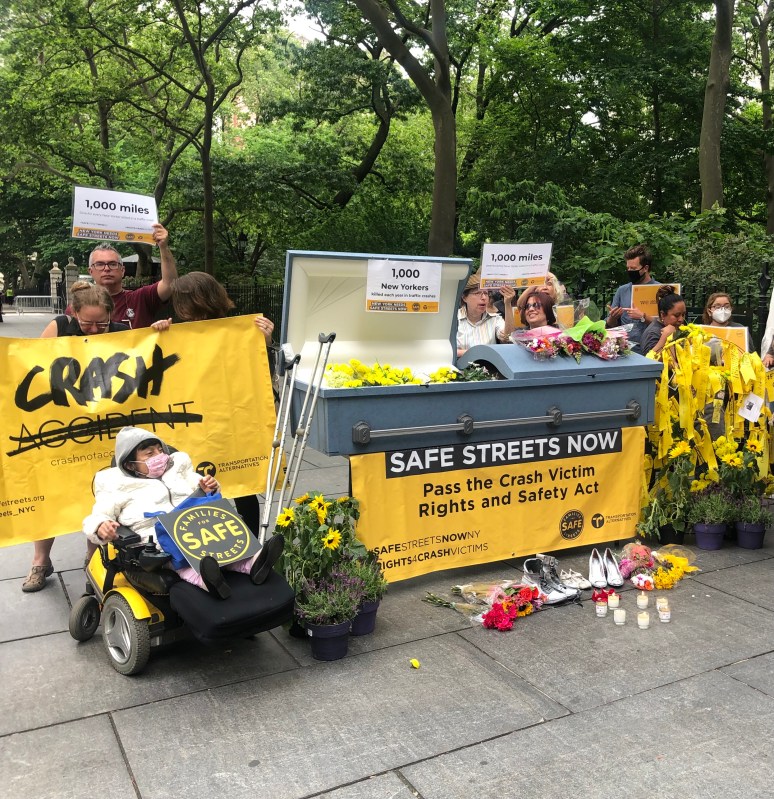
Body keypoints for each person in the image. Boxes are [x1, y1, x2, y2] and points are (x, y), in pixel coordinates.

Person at [82, 427, 284, 599]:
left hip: (197, 526)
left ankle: (255, 562)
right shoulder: (116, 486)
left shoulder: (178, 471)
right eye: (149, 454)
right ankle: (209, 581)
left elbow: (202, 488)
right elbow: (98, 515)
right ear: (130, 464)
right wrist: (101, 527)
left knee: (226, 540)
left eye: (160, 450)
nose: (159, 456)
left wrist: (210, 487)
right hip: (157, 536)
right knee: (181, 559)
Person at [22, 283, 131, 592]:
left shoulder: (123, 329)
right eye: (87, 324)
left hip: (102, 430)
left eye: (102, 324)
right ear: (73, 313)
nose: (95, 330)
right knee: (48, 490)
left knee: (100, 493)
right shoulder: (59, 326)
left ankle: (93, 557)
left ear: (112, 314)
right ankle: (40, 562)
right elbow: (33, 364)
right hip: (60, 425)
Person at [153, 271, 274, 531]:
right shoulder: (176, 330)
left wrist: (265, 340)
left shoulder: (238, 329)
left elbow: (260, 371)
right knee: (195, 483)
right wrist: (158, 332)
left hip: (230, 415)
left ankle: (250, 542)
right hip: (196, 418)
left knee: (243, 484)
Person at [85, 223, 177, 328]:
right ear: (90, 271)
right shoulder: (79, 306)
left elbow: (169, 284)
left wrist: (163, 247)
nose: (106, 269)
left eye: (113, 264)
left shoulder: (140, 299)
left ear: (123, 270)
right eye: (100, 264)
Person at [606, 244, 660, 346]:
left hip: (652, 349)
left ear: (645, 268)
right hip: (626, 351)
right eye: (628, 268)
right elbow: (611, 326)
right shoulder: (622, 291)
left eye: (633, 268)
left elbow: (667, 324)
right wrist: (612, 318)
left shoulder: (660, 290)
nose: (630, 271)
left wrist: (643, 317)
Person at [456, 271, 516, 357]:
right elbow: (447, 350)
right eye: (477, 293)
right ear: (464, 297)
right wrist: (476, 353)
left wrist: (508, 304)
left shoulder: (495, 319)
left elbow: (508, 336)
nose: (484, 298)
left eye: (486, 293)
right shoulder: (453, 319)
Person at [639, 285, 686, 356]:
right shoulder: (653, 333)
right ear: (663, 315)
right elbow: (648, 362)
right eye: (676, 315)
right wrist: (665, 337)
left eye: (683, 314)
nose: (681, 319)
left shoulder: (675, 328)